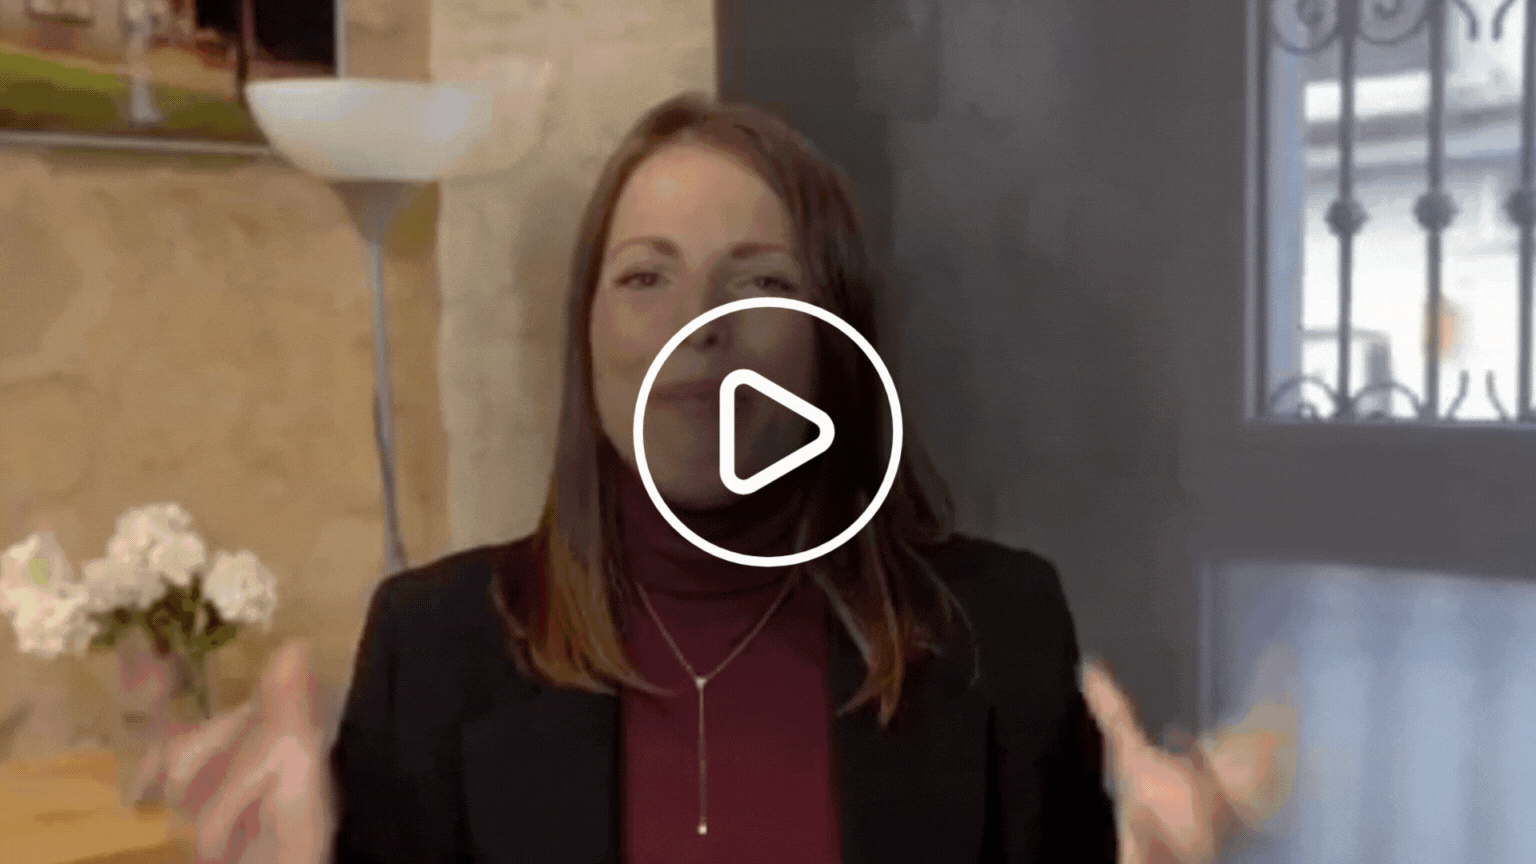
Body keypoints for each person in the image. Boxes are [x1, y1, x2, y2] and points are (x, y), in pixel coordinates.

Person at [130, 92, 1296, 864]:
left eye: (757, 281)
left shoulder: (1003, 630)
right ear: (588, 335)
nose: (700, 325)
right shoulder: (434, 649)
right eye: (646, 278)